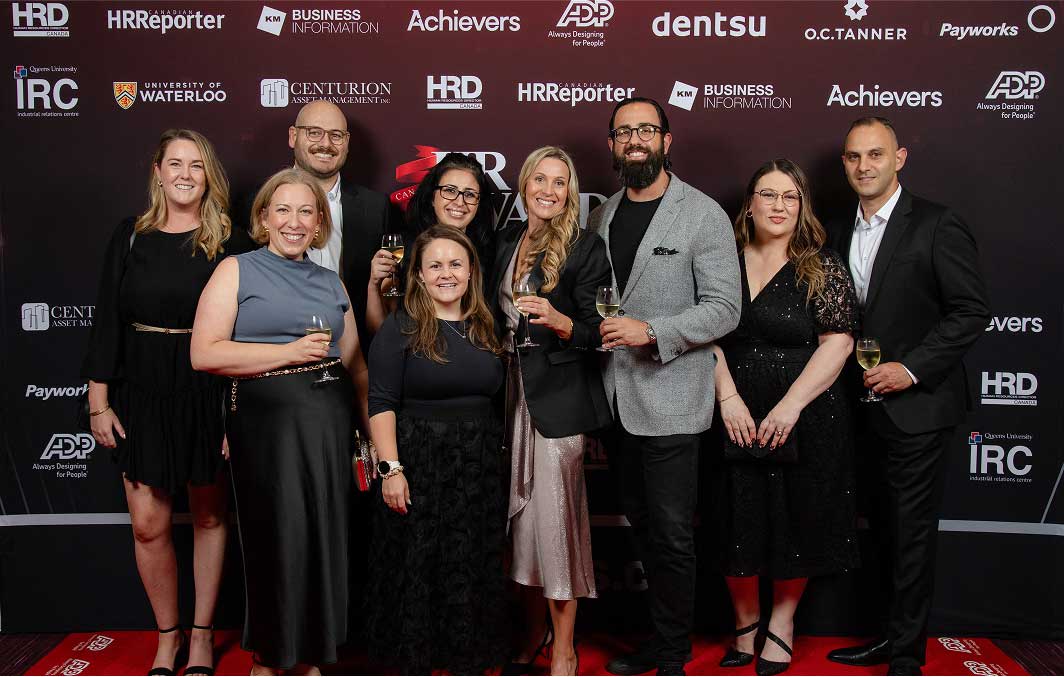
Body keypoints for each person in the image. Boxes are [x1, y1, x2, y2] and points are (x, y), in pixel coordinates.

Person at [82, 128, 254, 676]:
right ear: (157, 171)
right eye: (174, 163)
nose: (184, 173)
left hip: (207, 388)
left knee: (208, 515)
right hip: (142, 392)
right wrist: (98, 402)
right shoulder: (129, 237)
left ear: (210, 177)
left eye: (196, 165)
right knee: (148, 525)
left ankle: (202, 635)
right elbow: (105, 321)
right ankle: (167, 636)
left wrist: (236, 410)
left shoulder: (228, 241)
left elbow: (246, 330)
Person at [824, 117, 990, 676]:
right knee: (883, 533)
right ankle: (886, 637)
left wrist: (911, 369)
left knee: (912, 536)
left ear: (901, 157)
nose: (864, 166)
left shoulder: (938, 224)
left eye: (875, 154)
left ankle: (906, 657)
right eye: (853, 157)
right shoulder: (836, 228)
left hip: (918, 407)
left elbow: (970, 310)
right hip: (858, 408)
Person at [190, 168, 370, 676]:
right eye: (283, 211)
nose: (294, 222)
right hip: (266, 428)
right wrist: (288, 352)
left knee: (323, 539)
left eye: (306, 212)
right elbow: (204, 353)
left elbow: (353, 363)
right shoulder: (237, 270)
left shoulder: (330, 280)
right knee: (278, 538)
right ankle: (270, 658)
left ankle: (311, 654)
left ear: (318, 225)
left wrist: (367, 435)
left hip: (329, 427)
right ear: (264, 218)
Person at [589, 97, 741, 676]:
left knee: (673, 534)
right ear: (612, 144)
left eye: (646, 130)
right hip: (617, 398)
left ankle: (672, 652)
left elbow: (725, 308)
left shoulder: (700, 213)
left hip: (676, 398)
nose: (635, 140)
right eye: (623, 131)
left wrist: (653, 330)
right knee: (644, 525)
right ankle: (661, 638)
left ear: (666, 141)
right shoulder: (601, 216)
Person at [711, 159, 860, 675]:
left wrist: (792, 404)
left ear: (802, 207)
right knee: (737, 514)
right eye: (768, 195)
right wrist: (726, 396)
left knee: (798, 515)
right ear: (749, 203)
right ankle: (745, 622)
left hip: (805, 410)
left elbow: (839, 342)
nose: (778, 205)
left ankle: (783, 621)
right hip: (730, 408)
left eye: (790, 197)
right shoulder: (720, 260)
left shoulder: (821, 265)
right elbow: (700, 333)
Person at [488, 147, 612, 676]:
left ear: (570, 193)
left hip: (557, 403)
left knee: (556, 525)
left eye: (560, 183)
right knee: (521, 526)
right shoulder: (507, 242)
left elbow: (598, 332)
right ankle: (533, 629)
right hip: (508, 395)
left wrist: (560, 321)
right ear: (523, 184)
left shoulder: (585, 248)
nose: (549, 190)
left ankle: (564, 647)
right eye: (540, 178)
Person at [363, 226, 509, 675]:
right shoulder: (400, 325)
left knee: (470, 559)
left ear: (471, 272)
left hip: (478, 461)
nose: (446, 273)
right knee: (418, 560)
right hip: (418, 458)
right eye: (435, 265)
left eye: (455, 264)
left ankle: (465, 656)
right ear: (420, 276)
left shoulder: (488, 325)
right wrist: (391, 470)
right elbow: (381, 402)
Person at [285, 99, 390, 350]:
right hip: (279, 347)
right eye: (314, 133)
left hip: (353, 351)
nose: (325, 144)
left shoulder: (375, 208)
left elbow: (383, 290)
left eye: (336, 135)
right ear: (293, 136)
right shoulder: (258, 203)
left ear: (347, 142)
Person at [365, 152, 497, 334]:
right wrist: (374, 285)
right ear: (432, 197)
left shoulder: (490, 251)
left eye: (470, 194)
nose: (460, 202)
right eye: (450, 190)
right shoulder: (402, 249)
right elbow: (379, 329)